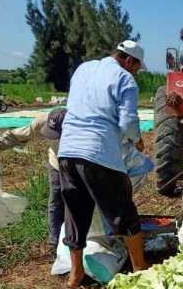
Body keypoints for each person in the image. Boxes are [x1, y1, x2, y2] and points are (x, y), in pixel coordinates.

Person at [57, 40, 148, 287]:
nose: (135, 73)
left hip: (67, 151)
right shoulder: (125, 78)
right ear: (129, 61)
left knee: (76, 214)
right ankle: (141, 269)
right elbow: (128, 122)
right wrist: (137, 141)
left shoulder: (83, 68)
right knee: (125, 215)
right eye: (136, 68)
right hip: (98, 153)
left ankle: (75, 275)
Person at [0, 108, 67, 251]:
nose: (54, 137)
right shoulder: (42, 121)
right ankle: (54, 241)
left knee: (80, 202)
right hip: (57, 164)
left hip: (81, 164)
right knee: (56, 202)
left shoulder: (83, 126)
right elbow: (16, 135)